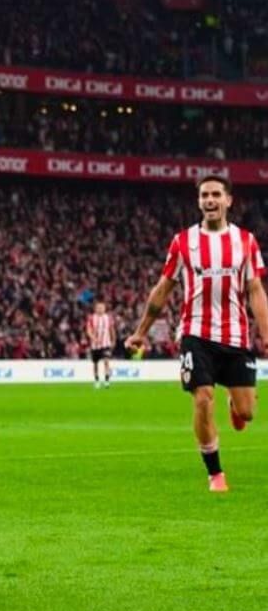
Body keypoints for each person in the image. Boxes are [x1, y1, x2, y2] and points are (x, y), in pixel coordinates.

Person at [125, 175, 268, 493]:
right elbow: (163, 289)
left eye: (217, 194)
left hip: (236, 336)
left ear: (229, 200)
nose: (210, 200)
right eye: (205, 195)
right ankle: (215, 473)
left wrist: (267, 334)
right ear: (199, 200)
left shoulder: (246, 241)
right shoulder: (183, 242)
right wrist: (140, 332)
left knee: (247, 412)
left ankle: (235, 405)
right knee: (203, 399)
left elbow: (255, 290)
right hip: (195, 334)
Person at [85, 301, 116, 389]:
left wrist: (114, 340)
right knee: (95, 364)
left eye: (102, 308)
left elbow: (111, 329)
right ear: (95, 309)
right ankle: (97, 380)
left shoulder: (108, 318)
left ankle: (107, 380)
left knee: (106, 361)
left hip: (106, 344)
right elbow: (88, 330)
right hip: (95, 345)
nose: (100, 309)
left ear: (105, 309)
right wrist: (93, 338)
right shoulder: (91, 318)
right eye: (98, 308)